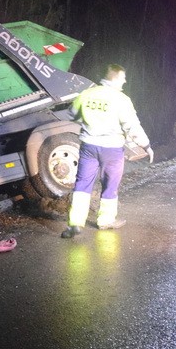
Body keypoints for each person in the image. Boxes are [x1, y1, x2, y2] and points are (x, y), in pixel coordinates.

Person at [61, 64, 152, 238]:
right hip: (112, 149)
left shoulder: (86, 94)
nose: (125, 81)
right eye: (123, 77)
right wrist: (146, 145)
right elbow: (132, 127)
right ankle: (105, 220)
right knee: (110, 184)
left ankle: (74, 223)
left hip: (88, 147)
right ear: (115, 78)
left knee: (82, 185)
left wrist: (89, 122)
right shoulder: (121, 99)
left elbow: (72, 114)